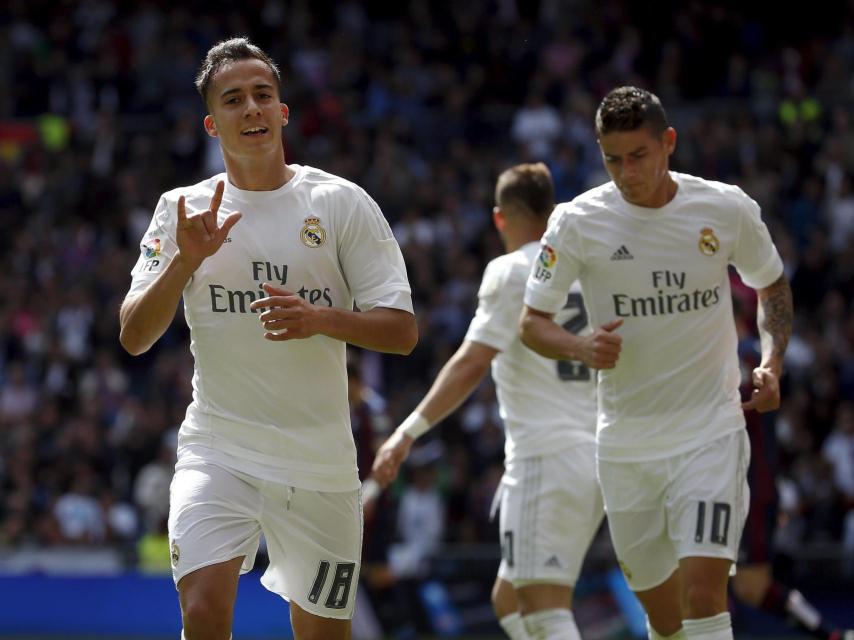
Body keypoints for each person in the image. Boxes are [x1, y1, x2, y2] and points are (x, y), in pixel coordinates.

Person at [119, 37, 417, 640]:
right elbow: (133, 336)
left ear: (282, 112)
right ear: (212, 122)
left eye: (263, 95)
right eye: (234, 99)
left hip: (321, 463)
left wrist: (321, 319)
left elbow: (403, 331)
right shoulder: (182, 209)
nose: (251, 108)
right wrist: (184, 261)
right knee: (203, 612)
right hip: (219, 448)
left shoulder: (340, 204)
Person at [520, 86, 793, 640]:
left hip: (709, 431)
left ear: (668, 143)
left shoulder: (724, 208)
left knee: (702, 596)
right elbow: (532, 323)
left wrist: (773, 360)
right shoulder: (578, 222)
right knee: (666, 621)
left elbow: (772, 287)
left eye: (638, 156)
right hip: (626, 444)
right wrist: (579, 346)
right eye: (613, 160)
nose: (626, 172)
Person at [372, 163, 603, 639]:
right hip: (596, 454)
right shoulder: (587, 274)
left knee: (543, 607)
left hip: (546, 454)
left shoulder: (513, 270)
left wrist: (407, 431)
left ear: (500, 218)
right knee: (510, 598)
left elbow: (471, 364)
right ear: (552, 211)